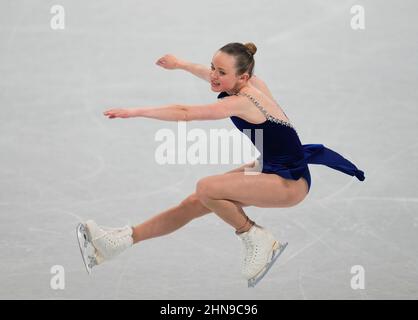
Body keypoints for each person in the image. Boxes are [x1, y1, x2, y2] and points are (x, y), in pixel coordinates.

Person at [76, 42, 365, 287]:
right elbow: (210, 75)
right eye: (213, 67)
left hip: (290, 183)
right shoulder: (247, 82)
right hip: (271, 167)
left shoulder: (243, 101)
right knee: (194, 201)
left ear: (243, 77)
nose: (213, 75)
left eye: (221, 72)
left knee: (206, 187)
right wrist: (181, 64)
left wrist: (136, 111)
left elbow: (187, 112)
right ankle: (120, 242)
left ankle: (255, 236)